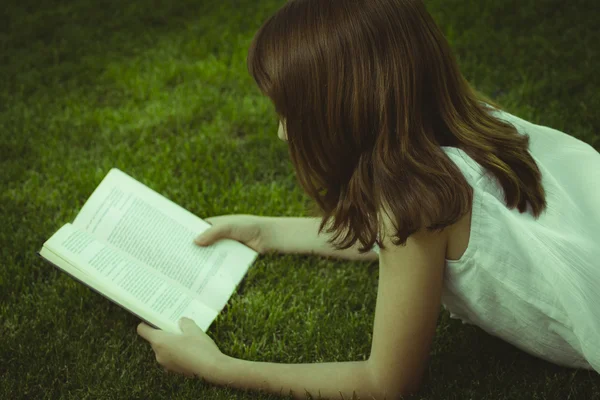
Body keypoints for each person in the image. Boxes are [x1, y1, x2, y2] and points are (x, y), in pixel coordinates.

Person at [136, 0, 600, 398]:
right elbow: (389, 237)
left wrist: (218, 367)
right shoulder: (466, 126)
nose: (282, 132)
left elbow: (384, 382)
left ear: (346, 112)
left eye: (291, 114)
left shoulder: (417, 205)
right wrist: (267, 230)